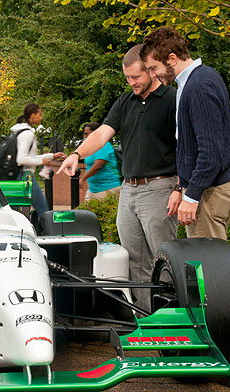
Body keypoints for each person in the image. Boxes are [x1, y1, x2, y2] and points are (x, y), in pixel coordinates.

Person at [58, 44, 178, 313]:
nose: (131, 82)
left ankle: (172, 320)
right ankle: (144, 320)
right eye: (127, 78)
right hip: (128, 190)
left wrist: (181, 188)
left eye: (135, 77)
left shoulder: (172, 100)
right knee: (134, 260)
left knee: (165, 258)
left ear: (151, 70)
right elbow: (101, 134)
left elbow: (187, 146)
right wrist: (76, 154)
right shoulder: (125, 102)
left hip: (160, 187)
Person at [140, 27, 230, 239]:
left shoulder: (200, 85)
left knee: (209, 265)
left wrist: (191, 196)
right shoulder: (192, 82)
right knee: (206, 262)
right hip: (204, 188)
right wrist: (180, 187)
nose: (153, 75)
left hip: (210, 191)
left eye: (154, 68)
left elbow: (210, 152)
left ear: (172, 58)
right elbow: (190, 149)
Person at [11, 104, 66, 216]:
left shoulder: (19, 132)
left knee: (14, 213)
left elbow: (28, 157)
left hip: (16, 175)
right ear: (33, 115)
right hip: (25, 176)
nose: (41, 118)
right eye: (39, 115)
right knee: (43, 211)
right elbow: (21, 159)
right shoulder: (27, 134)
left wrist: (52, 156)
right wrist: (41, 162)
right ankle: (47, 231)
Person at [78, 122, 121, 201]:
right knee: (87, 212)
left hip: (108, 189)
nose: (85, 136)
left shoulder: (104, 145)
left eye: (87, 134)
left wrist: (82, 178)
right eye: (84, 134)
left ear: (95, 133)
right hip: (93, 189)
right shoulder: (91, 147)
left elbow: (98, 165)